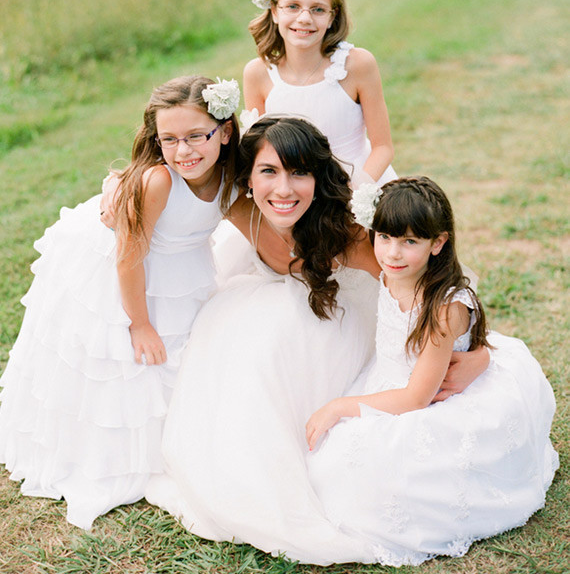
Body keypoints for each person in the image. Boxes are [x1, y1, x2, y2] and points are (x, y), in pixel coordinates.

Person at [145, 119, 488, 565]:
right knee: (234, 343)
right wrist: (124, 182)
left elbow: (429, 297)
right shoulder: (235, 201)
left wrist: (479, 354)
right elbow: (183, 157)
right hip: (264, 294)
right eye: (268, 171)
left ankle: (284, 475)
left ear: (317, 176)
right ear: (247, 177)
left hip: (339, 309)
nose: (283, 189)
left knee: (275, 349)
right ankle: (238, 472)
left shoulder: (349, 234)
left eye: (299, 172)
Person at [0, 75, 240, 530]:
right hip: (123, 269)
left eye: (196, 136)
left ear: (225, 132)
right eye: (170, 139)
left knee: (183, 354)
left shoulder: (231, 175)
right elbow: (129, 257)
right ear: (156, 139)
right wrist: (140, 323)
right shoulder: (158, 181)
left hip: (180, 270)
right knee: (124, 362)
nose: (184, 150)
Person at [306, 177, 559, 566]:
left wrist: (338, 406)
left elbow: (416, 398)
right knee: (338, 462)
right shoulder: (385, 264)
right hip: (393, 379)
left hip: (428, 397)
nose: (393, 253)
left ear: (437, 243)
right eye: (385, 237)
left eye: (410, 241)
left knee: (384, 470)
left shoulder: (442, 308)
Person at [243, 0, 396, 187]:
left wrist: (354, 192)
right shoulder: (258, 74)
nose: (304, 18)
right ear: (274, 11)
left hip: (358, 184)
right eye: (293, 6)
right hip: (293, 192)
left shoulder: (357, 65)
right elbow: (260, 153)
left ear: (332, 16)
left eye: (317, 9)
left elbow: (383, 148)